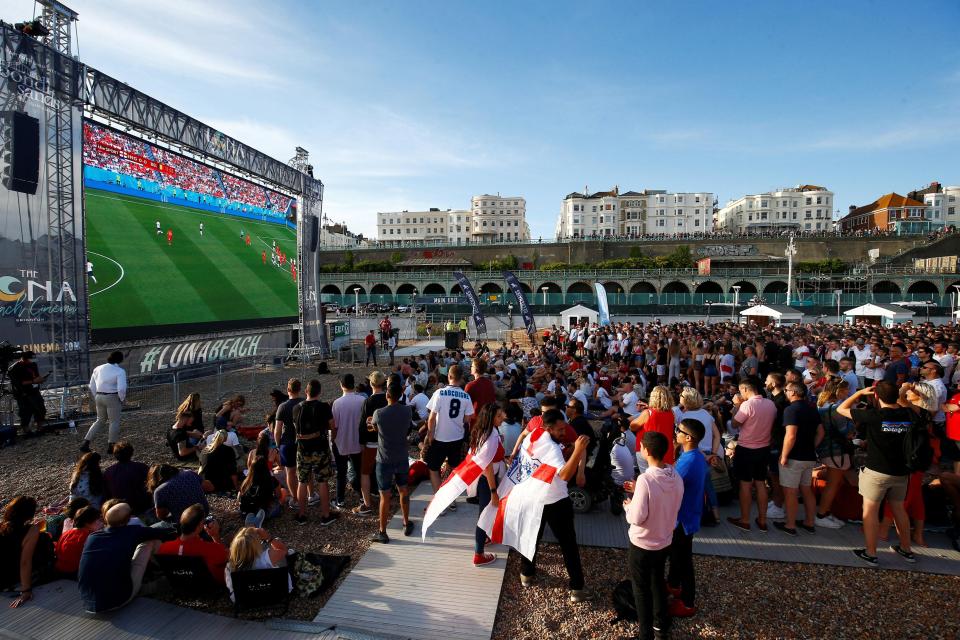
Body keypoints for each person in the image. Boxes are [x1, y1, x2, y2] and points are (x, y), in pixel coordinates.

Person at [836, 382, 916, 566]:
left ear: (877, 397)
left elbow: (842, 408)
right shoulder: (908, 413)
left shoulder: (874, 415)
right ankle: (906, 548)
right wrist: (902, 393)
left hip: (877, 470)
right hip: (901, 470)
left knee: (870, 511)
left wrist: (860, 394)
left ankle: (871, 553)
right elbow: (906, 404)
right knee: (899, 509)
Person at [518, 409, 589, 602]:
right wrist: (577, 451)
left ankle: (527, 573)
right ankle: (577, 587)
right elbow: (565, 475)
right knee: (568, 544)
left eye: (564, 428)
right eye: (559, 430)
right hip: (555, 499)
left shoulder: (533, 435)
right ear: (548, 428)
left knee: (531, 537)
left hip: (533, 496)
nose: (563, 433)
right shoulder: (552, 448)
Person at [625, 431, 684, 640]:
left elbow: (637, 517)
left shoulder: (646, 479)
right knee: (658, 581)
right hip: (665, 539)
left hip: (643, 543)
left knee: (641, 589)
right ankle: (661, 626)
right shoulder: (675, 475)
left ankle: (645, 634)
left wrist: (628, 506)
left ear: (646, 451)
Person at [78, 502, 174, 613]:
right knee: (151, 541)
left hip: (87, 601)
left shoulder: (92, 537)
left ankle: (136, 586)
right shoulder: (132, 532)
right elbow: (166, 533)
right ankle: (162, 579)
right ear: (128, 519)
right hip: (117, 601)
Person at [667, 418, 707, 618]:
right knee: (677, 555)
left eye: (678, 430)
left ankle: (688, 602)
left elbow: (669, 483)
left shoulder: (689, 460)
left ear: (688, 437)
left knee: (683, 560)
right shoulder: (694, 455)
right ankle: (673, 584)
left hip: (683, 518)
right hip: (688, 514)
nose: (675, 433)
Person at [727, 377, 777, 532]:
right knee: (761, 482)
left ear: (746, 389)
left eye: (741, 391)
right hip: (763, 447)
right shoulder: (770, 404)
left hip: (747, 448)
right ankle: (762, 520)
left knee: (745, 484)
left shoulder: (747, 405)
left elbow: (735, 424)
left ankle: (745, 519)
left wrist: (737, 405)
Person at [775, 382, 824, 536]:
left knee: (790, 492)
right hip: (808, 456)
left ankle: (790, 525)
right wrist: (812, 447)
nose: (785, 392)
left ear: (794, 392)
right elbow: (821, 432)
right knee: (806, 490)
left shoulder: (791, 410)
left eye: (787, 390)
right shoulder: (811, 408)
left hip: (794, 457)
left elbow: (791, 435)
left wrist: (784, 455)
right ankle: (809, 522)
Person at [369, 384, 414, 543]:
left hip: (384, 459)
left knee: (384, 496)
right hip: (401, 456)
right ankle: (406, 523)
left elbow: (374, 427)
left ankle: (382, 532)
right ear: (401, 394)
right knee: (403, 490)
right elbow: (408, 427)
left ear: (387, 395)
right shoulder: (407, 410)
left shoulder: (379, 413)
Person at [425, 365, 475, 502]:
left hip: (440, 438)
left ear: (449, 376)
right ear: (461, 379)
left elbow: (431, 417)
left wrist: (430, 434)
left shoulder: (440, 393)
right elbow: (467, 418)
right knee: (453, 469)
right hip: (457, 438)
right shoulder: (465, 396)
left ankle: (439, 499)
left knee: (433, 468)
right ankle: (450, 499)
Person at [292, 379, 337, 526]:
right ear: (319, 392)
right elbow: (332, 425)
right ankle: (325, 515)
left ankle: (301, 514)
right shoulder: (323, 407)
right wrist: (333, 438)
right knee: (322, 481)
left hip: (302, 449)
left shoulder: (296, 408)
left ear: (306, 391)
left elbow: (295, 427)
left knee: (302, 481)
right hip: (320, 449)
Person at [0, 497, 55, 607]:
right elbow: (25, 561)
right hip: (12, 579)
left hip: (1, 578)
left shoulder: (2, 526)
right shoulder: (32, 530)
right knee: (44, 539)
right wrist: (26, 591)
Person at [468, 404, 505, 565]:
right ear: (491, 419)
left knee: (486, 513)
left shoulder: (488, 432)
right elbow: (487, 466)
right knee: (484, 516)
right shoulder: (490, 437)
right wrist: (493, 491)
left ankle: (484, 538)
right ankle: (479, 554)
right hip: (486, 480)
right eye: (498, 416)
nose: (502, 417)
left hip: (487, 478)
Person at [814, 380, 854, 529]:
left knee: (836, 482)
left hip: (827, 449)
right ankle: (821, 514)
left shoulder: (821, 405)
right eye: (845, 390)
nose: (847, 393)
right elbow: (846, 432)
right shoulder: (836, 409)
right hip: (835, 450)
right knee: (833, 483)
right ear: (838, 391)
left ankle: (826, 512)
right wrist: (853, 418)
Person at [156, 504, 228, 585]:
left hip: (181, 585)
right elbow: (226, 557)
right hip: (209, 587)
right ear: (200, 526)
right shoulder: (211, 548)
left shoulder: (163, 548)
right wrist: (215, 536)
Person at [224, 527, 292, 602]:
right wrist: (268, 538)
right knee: (287, 557)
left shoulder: (230, 566)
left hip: (244, 600)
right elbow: (284, 550)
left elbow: (230, 587)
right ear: (255, 546)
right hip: (275, 595)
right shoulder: (267, 557)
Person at [331, 373, 366, 510]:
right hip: (358, 441)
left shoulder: (337, 403)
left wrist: (333, 440)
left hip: (341, 441)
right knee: (359, 470)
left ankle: (340, 500)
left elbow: (335, 426)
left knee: (341, 472)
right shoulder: (362, 400)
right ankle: (363, 497)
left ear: (341, 385)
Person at [356, 371, 388, 515]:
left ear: (371, 383)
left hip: (371, 442)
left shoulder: (368, 401)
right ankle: (386, 499)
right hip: (387, 442)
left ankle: (367, 503)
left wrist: (361, 442)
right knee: (386, 471)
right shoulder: (388, 398)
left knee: (365, 472)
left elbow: (362, 425)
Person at [630, 386, 676, 473]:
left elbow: (632, 426)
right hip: (665, 450)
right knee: (664, 476)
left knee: (648, 477)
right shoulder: (672, 413)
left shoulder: (648, 413)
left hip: (647, 450)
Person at [274, 378, 303, 509]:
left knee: (290, 472)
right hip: (303, 440)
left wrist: (277, 444)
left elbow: (277, 430)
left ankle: (296, 499)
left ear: (288, 390)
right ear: (300, 389)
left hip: (287, 442)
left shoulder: (283, 406)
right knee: (305, 471)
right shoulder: (304, 403)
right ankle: (309, 494)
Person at [7, 351, 47, 436]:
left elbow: (36, 376)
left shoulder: (33, 365)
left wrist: (40, 380)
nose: (31, 361)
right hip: (23, 393)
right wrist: (33, 381)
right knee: (25, 412)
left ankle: (40, 428)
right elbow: (18, 383)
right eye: (30, 360)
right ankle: (27, 431)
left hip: (34, 391)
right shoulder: (15, 368)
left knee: (40, 409)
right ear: (24, 359)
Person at [238, 455, 283, 527]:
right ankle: (258, 519)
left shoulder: (246, 480)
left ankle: (251, 519)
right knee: (282, 494)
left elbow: (239, 497)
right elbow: (278, 495)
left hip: (245, 510)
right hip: (265, 510)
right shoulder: (271, 479)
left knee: (252, 509)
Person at [54, 506, 99, 577]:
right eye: (97, 520)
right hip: (74, 571)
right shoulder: (88, 536)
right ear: (87, 523)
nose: (99, 523)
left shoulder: (67, 533)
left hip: (60, 568)